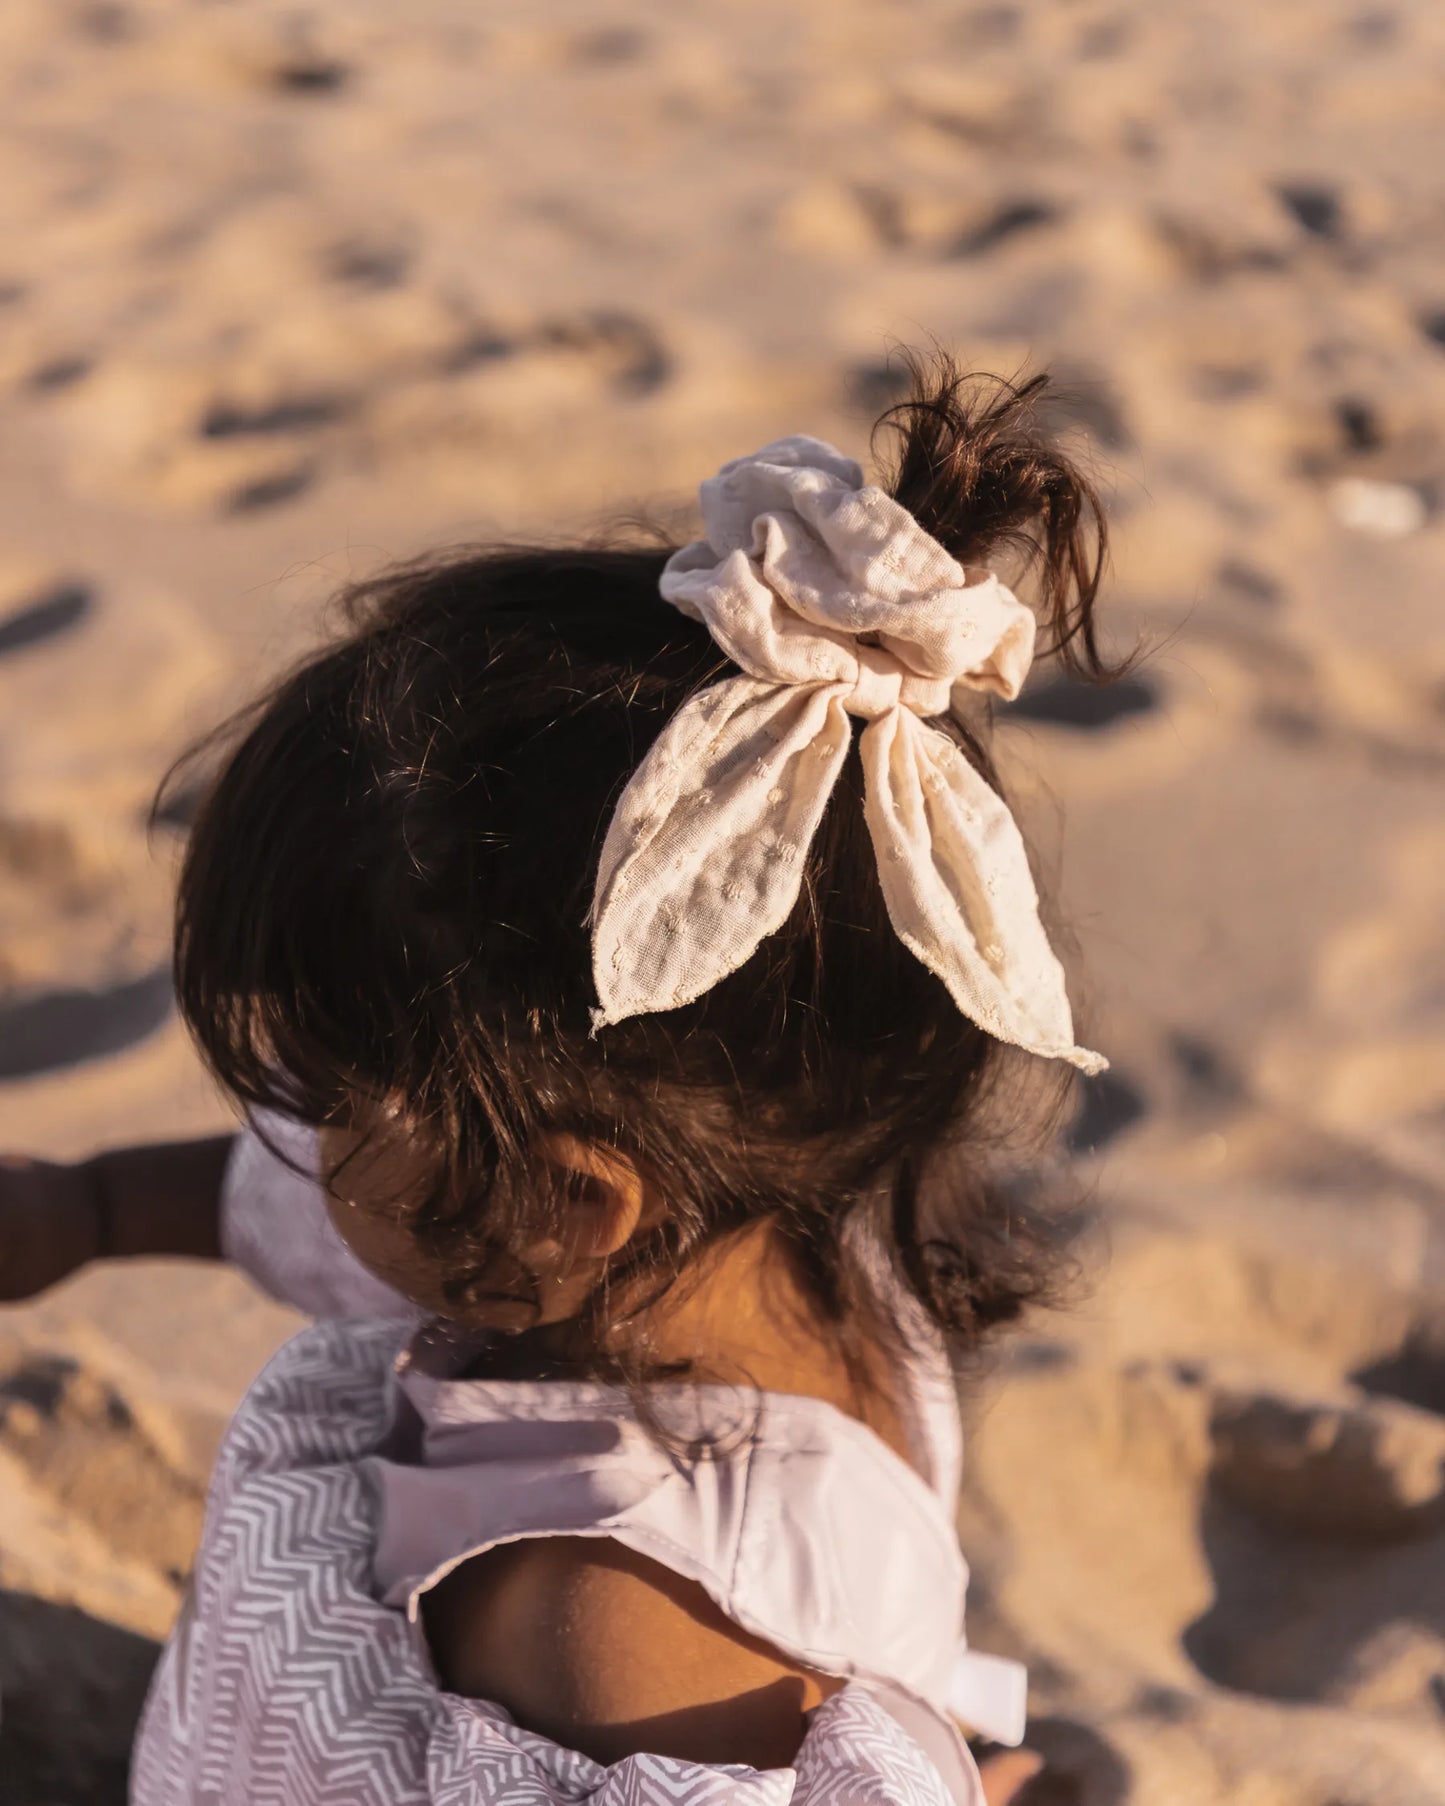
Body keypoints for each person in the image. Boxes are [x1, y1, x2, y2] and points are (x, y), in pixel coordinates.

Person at [0, 356, 1123, 1806]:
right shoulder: (776, 1235)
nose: (291, 1118)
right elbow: (308, 1204)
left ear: (562, 1202)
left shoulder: (608, 1640)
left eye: (335, 1088)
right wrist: (79, 1209)